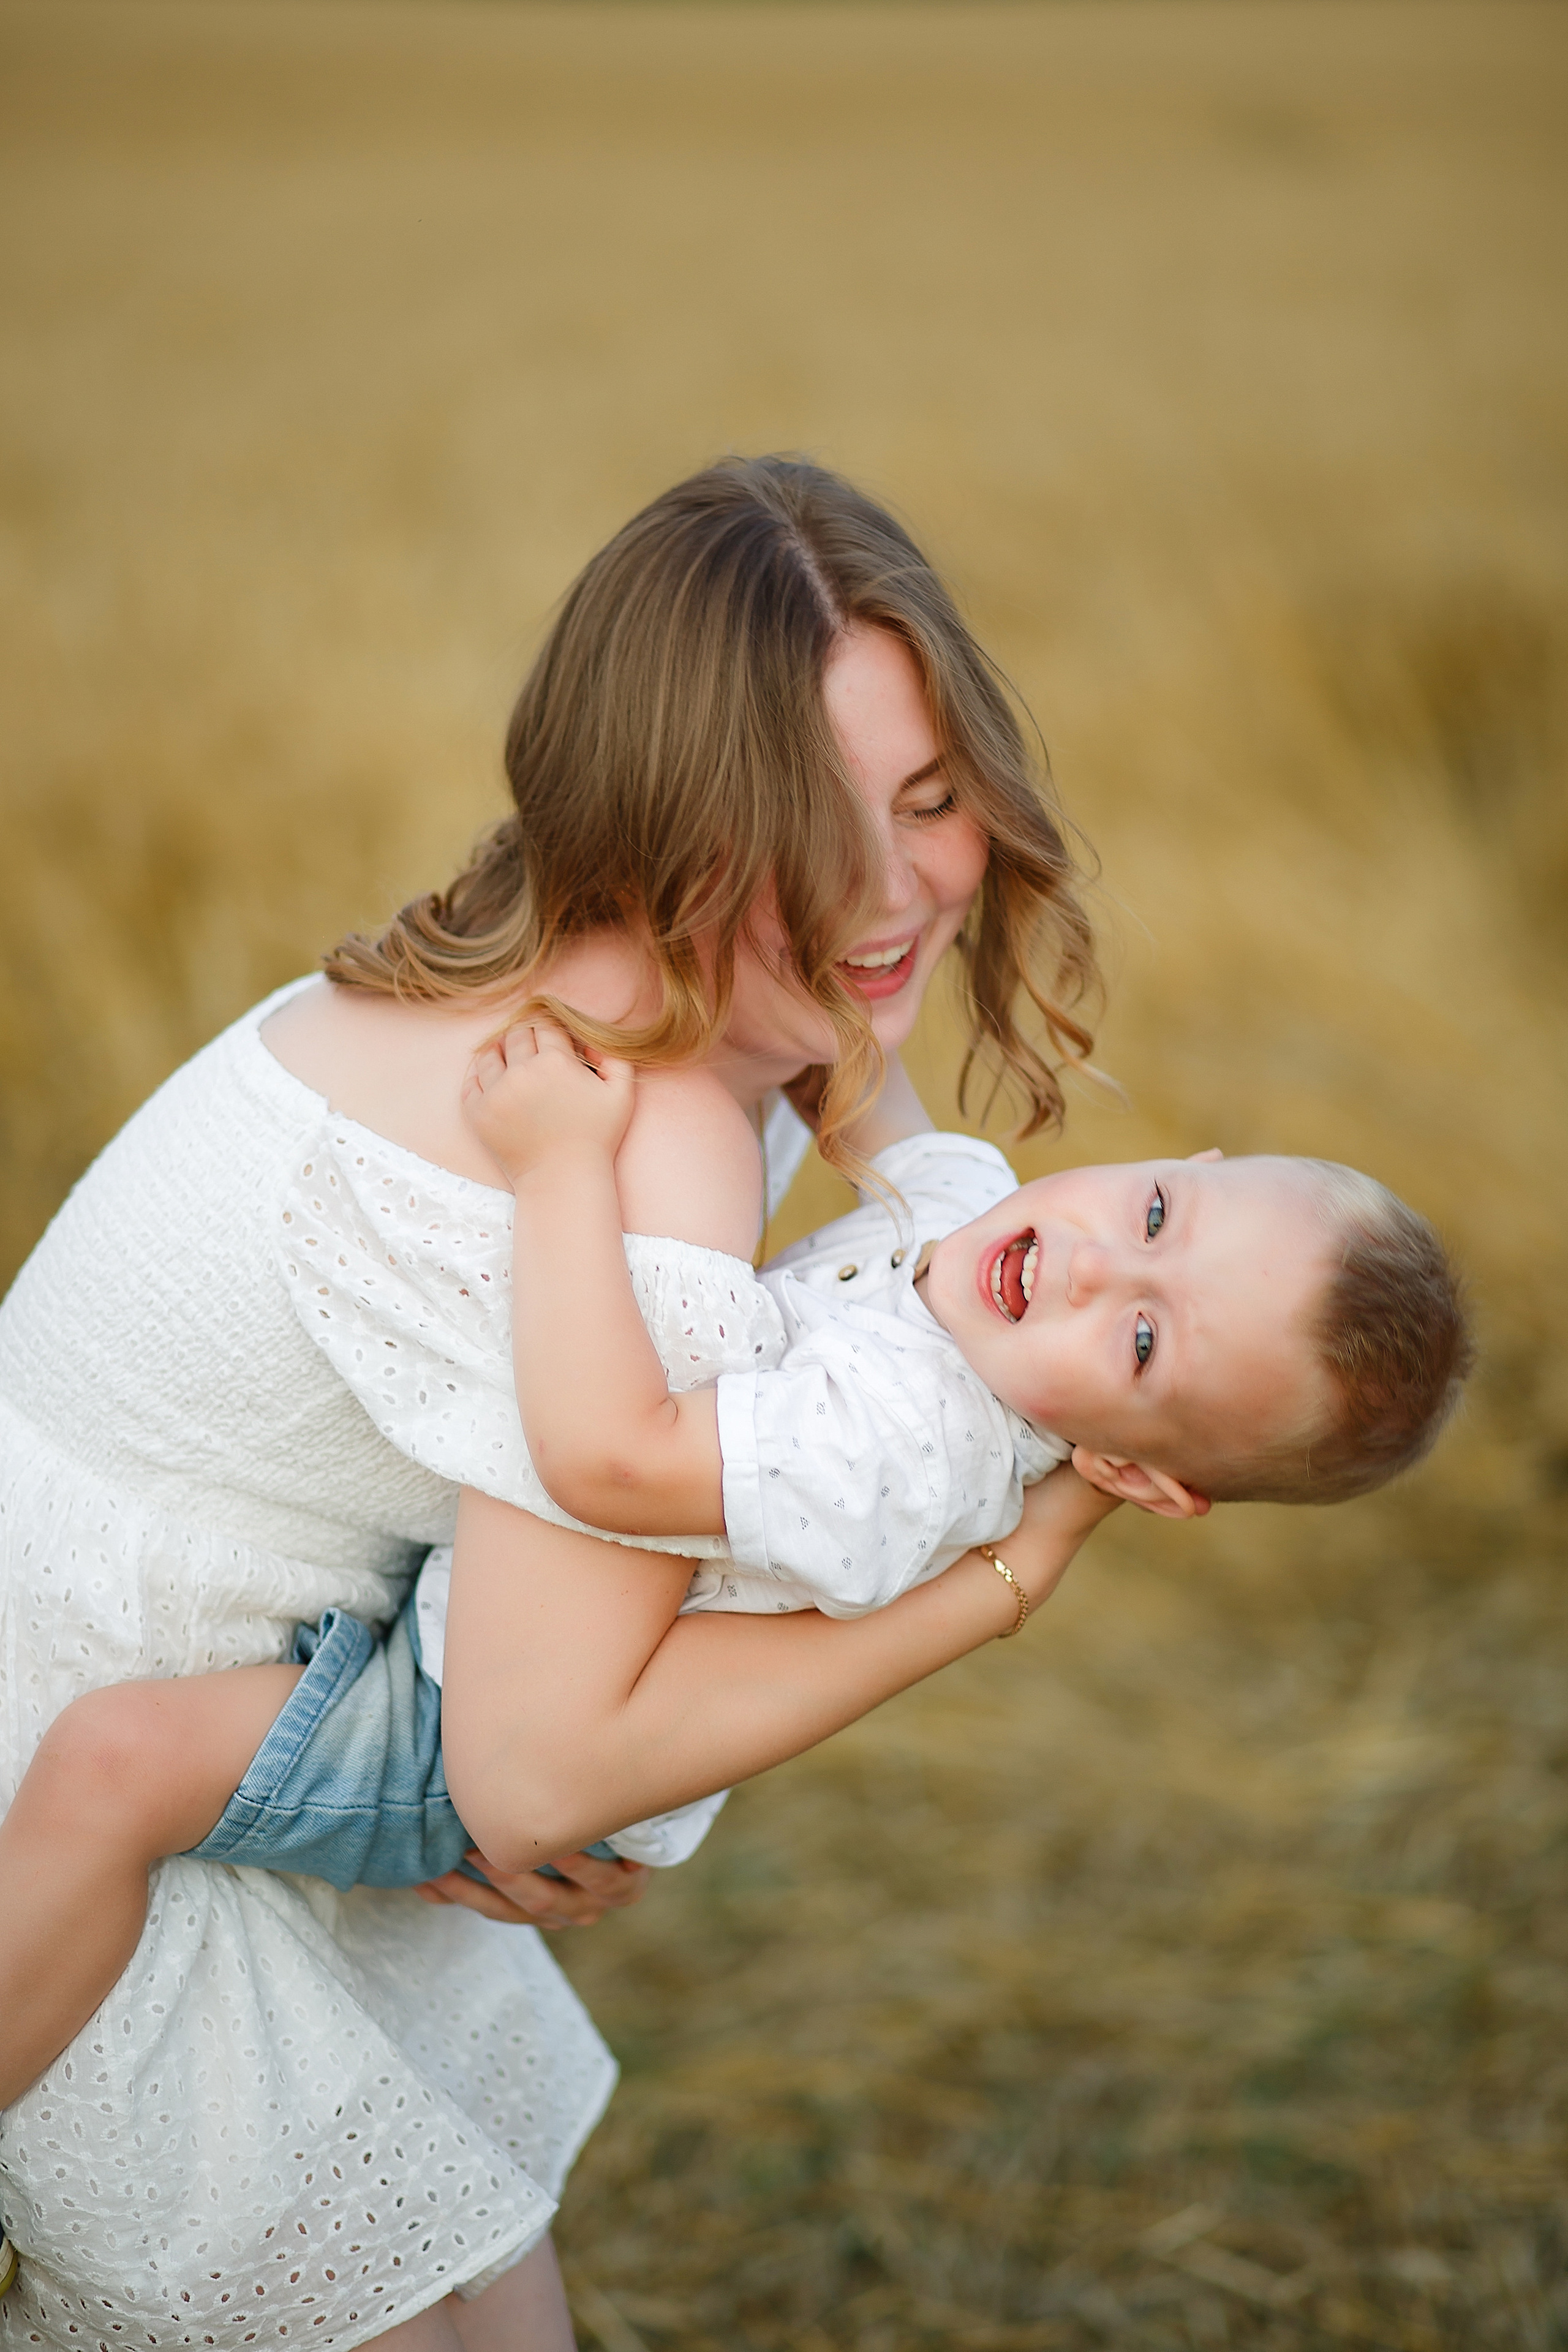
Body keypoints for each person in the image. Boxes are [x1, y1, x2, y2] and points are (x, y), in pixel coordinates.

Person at [0, 456, 1113, 2349]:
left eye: (933, 802)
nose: (897, 884)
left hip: (233, 1693)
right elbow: (535, 1771)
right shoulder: (654, 1118)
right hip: (86, 1723)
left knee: (486, 2299)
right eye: (811, 825)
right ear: (659, 817)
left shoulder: (630, 986)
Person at [0, 1019, 1472, 2125]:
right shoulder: (986, 1220)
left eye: (1144, 1342)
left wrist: (563, 1161)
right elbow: (859, 1079)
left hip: (466, 1729)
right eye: (1154, 1216)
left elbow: (617, 1459)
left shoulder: (904, 1455)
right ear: (1179, 1164)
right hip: (472, 1611)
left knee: (117, 1765)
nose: (1093, 1267)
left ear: (1140, 1477)